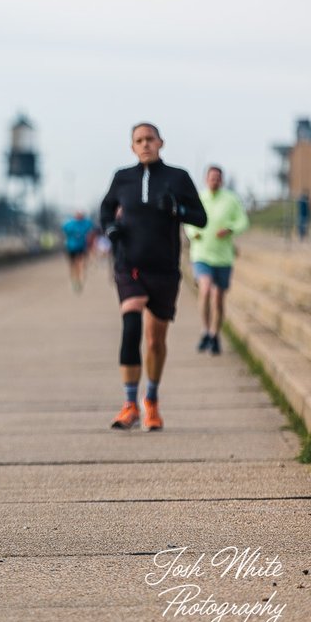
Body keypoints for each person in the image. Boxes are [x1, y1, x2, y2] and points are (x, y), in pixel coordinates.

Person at [99, 123, 207, 431]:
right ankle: (129, 404)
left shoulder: (178, 177)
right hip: (129, 265)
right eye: (139, 140)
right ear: (131, 147)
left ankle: (152, 400)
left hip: (164, 269)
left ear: (161, 142)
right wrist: (110, 229)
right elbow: (106, 210)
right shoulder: (122, 178)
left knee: (155, 341)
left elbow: (201, 217)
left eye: (150, 139)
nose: (145, 144)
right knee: (131, 326)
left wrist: (177, 208)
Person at [184, 166, 249, 355]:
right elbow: (188, 221)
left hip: (223, 257)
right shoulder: (199, 199)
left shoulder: (231, 199)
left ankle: (214, 334)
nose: (214, 180)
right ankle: (205, 329)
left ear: (222, 180)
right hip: (201, 254)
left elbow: (243, 221)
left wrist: (230, 229)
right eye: (211, 177)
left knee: (218, 298)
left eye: (218, 178)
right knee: (205, 289)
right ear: (206, 179)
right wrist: (193, 233)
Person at [61, 210, 96, 292]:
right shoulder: (69, 224)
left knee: (81, 263)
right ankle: (74, 280)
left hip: (82, 247)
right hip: (71, 248)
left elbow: (92, 232)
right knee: (73, 265)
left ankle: (79, 279)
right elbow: (64, 231)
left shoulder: (87, 223)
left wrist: (91, 243)